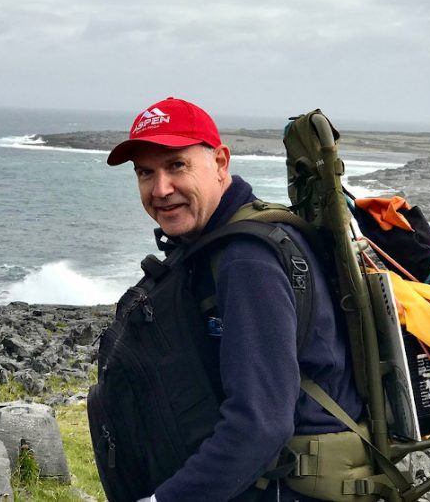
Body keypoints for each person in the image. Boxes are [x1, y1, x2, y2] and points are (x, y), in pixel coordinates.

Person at [107, 97, 363, 502]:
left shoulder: (246, 260)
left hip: (290, 488)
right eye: (145, 173)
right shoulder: (213, 243)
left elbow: (259, 424)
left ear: (221, 163)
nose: (160, 189)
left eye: (177, 166)